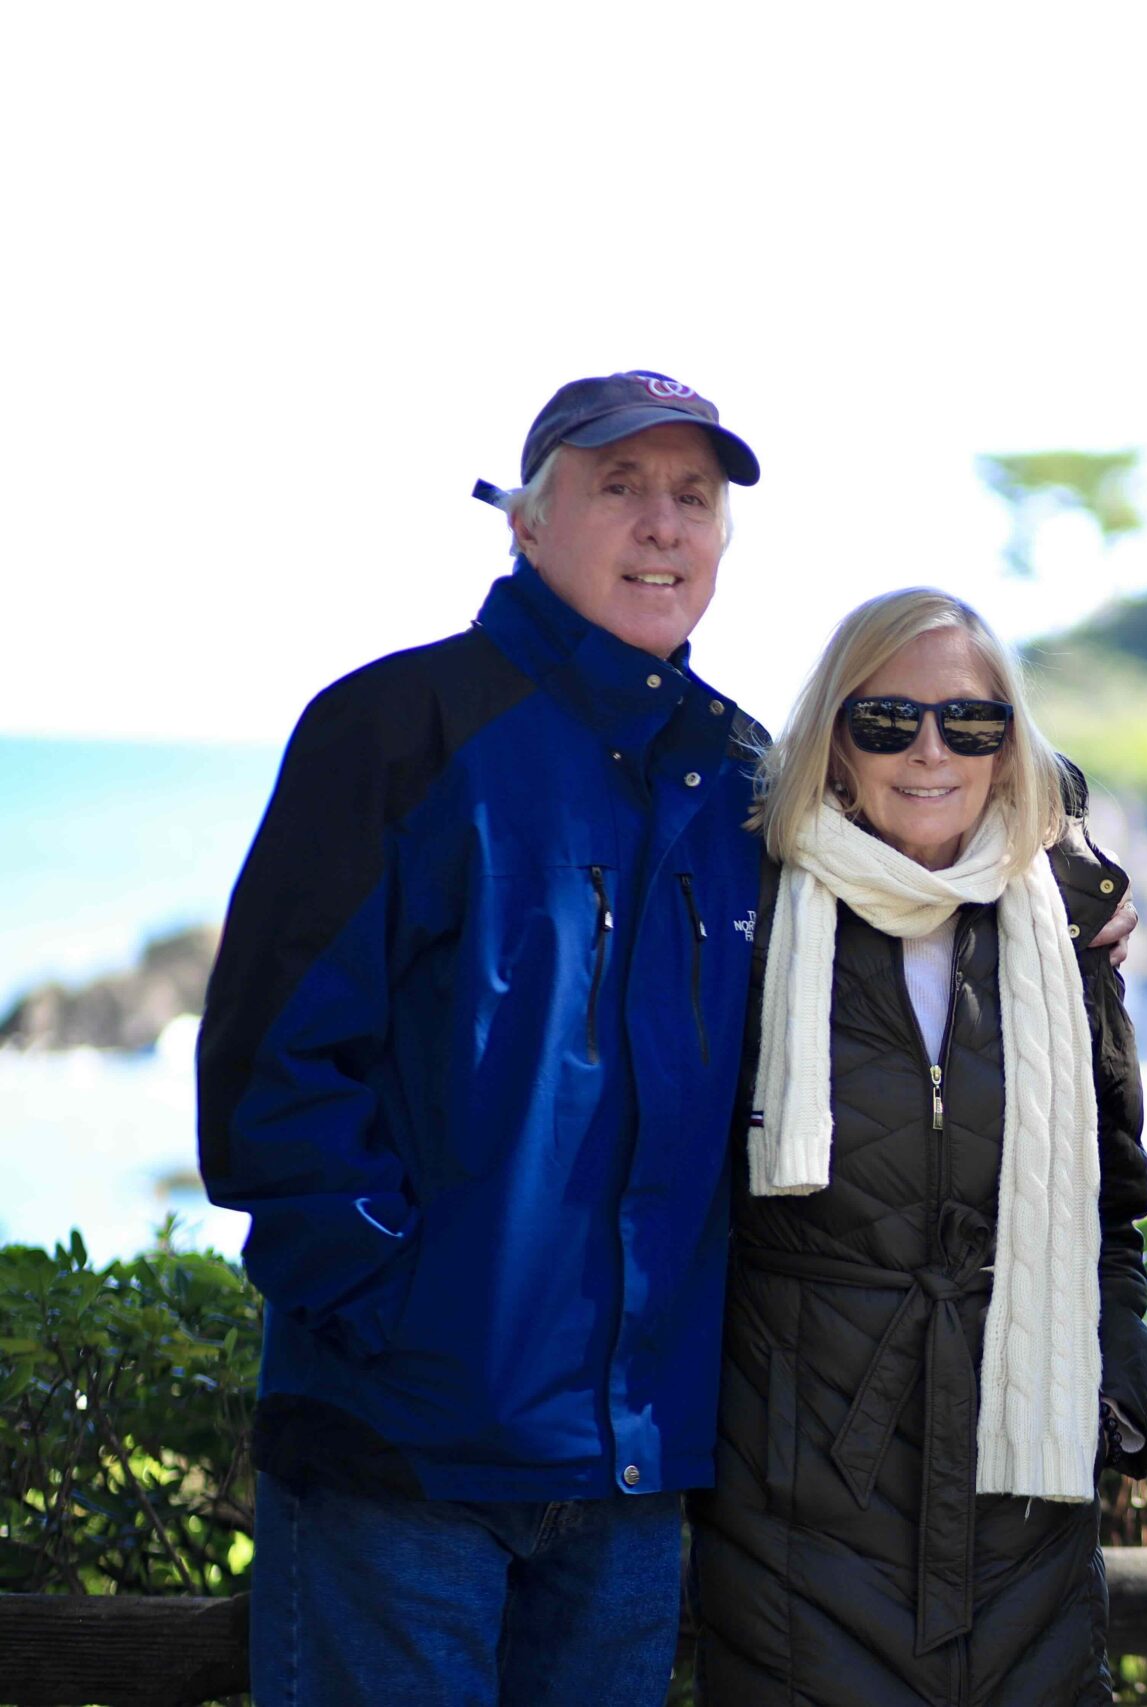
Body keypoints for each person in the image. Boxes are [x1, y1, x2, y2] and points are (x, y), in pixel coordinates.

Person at [197, 371, 768, 1703]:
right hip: (404, 1458)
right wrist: (397, 1315)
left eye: (693, 497)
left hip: (631, 1475)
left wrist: (1077, 898)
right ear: (525, 520)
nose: (662, 526)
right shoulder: (393, 727)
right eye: (619, 486)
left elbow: (928, 865)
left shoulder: (747, 776)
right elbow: (268, 1072)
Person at [691, 589, 1147, 1707]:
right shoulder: (751, 909)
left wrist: (1116, 1401)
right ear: (835, 743)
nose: (932, 751)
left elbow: (1111, 1208)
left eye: (971, 722)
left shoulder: (1061, 932)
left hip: (1021, 1490)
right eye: (887, 721)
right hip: (799, 1492)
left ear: (1011, 745)